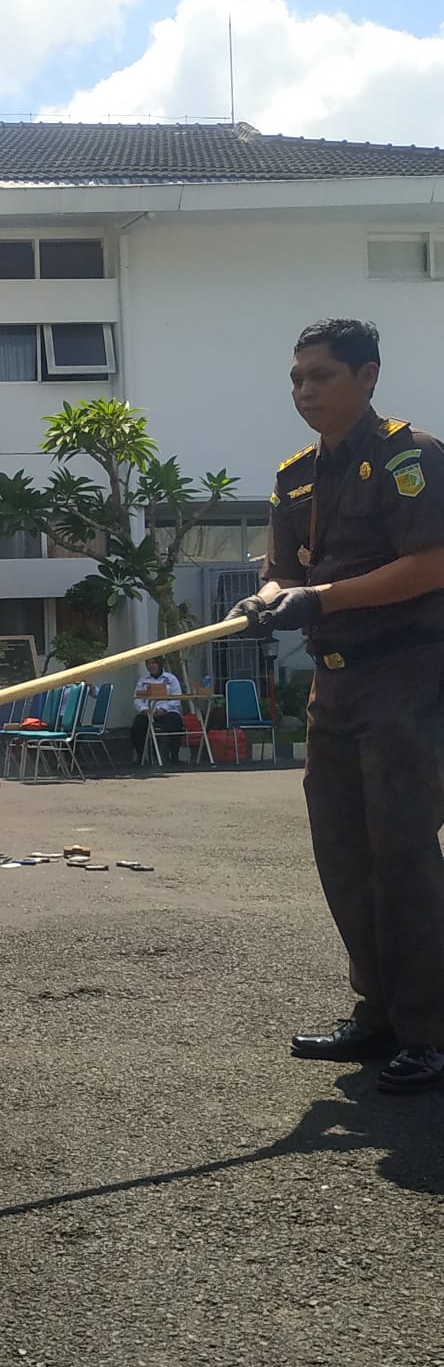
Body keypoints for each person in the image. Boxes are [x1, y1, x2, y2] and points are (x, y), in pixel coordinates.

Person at [227, 318, 444, 1094]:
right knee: (344, 853)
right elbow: (279, 575)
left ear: (369, 377)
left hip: (408, 676)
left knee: (404, 857)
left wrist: (318, 597)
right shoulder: (294, 478)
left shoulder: (409, 458)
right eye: (296, 377)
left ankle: (429, 1031)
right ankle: (377, 1013)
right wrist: (266, 601)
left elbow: (431, 564)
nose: (304, 390)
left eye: (321, 375)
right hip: (337, 683)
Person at [129, 655, 186, 764]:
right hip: (148, 713)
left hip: (167, 712)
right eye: (148, 664)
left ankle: (174, 756)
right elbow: (137, 699)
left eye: (153, 663)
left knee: (175, 722)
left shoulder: (171, 679)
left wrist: (163, 709)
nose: (151, 666)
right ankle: (141, 757)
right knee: (137, 726)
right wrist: (145, 710)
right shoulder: (143, 681)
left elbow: (176, 698)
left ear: (160, 664)